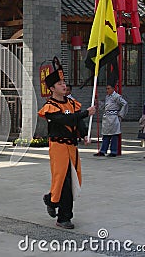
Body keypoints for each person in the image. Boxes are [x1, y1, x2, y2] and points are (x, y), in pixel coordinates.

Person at [38, 58, 95, 229]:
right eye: (60, 83)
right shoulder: (50, 106)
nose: (64, 86)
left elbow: (78, 122)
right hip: (58, 146)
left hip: (72, 146)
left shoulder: (72, 103)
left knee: (73, 179)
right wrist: (85, 113)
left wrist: (84, 134)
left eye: (64, 82)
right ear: (52, 88)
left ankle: (51, 200)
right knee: (63, 180)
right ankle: (64, 217)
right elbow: (64, 119)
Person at [93, 84, 128, 157]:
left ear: (113, 89)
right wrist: (97, 102)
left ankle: (114, 151)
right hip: (107, 118)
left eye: (108, 88)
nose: (107, 90)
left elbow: (125, 103)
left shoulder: (117, 96)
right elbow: (104, 106)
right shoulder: (107, 97)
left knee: (114, 135)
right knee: (105, 135)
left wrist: (121, 115)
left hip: (113, 117)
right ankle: (103, 150)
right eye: (106, 89)